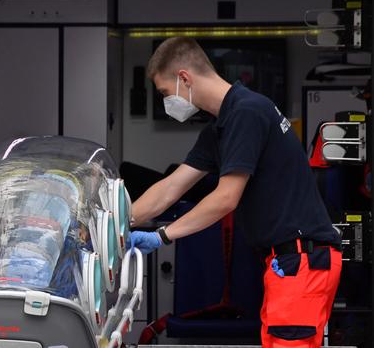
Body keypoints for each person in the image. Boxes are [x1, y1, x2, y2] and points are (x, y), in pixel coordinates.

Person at [129, 37, 342, 347]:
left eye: (164, 92)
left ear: (184, 78)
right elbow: (171, 186)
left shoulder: (247, 112)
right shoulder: (222, 125)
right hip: (286, 263)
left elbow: (226, 198)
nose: (166, 101)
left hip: (302, 261)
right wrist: (121, 222)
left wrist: (162, 236)